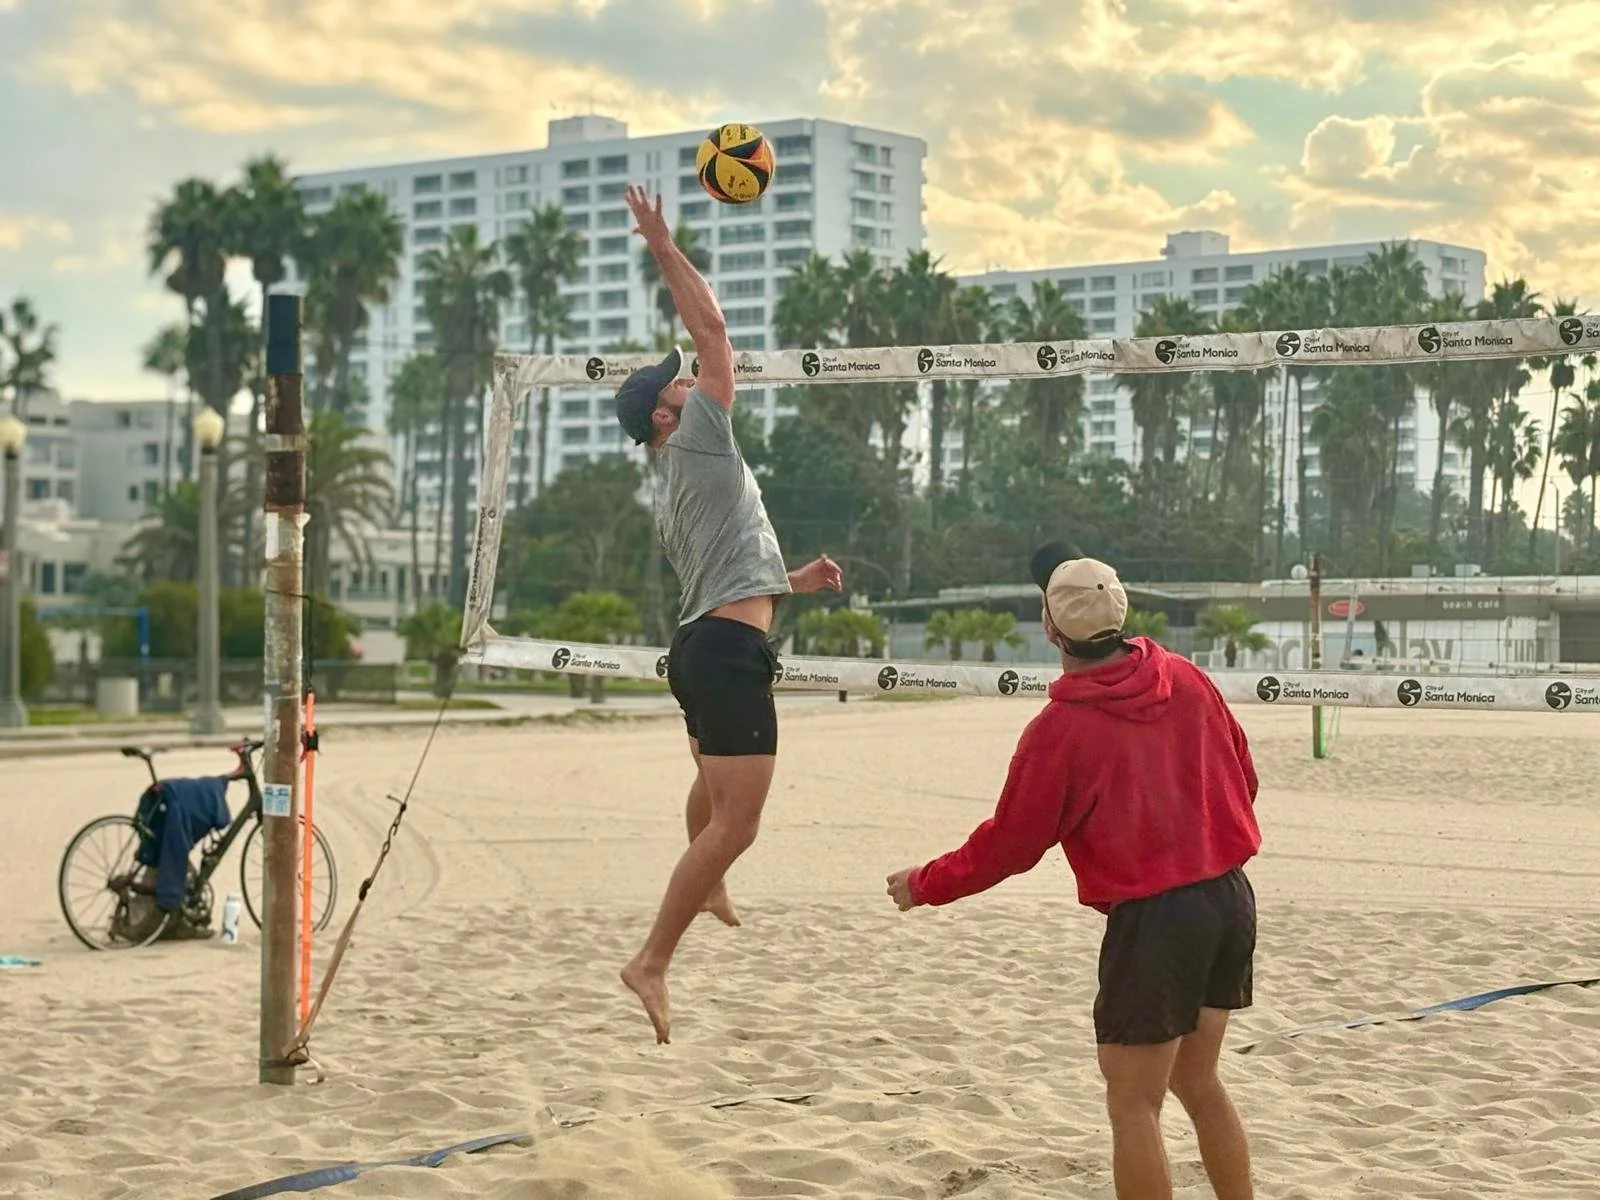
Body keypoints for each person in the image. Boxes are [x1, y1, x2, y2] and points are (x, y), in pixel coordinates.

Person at [886, 546, 1261, 1200]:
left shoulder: (1061, 729)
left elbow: (1009, 847)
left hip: (1157, 918)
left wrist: (925, 883)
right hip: (1229, 897)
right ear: (1124, 610)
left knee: (1133, 1101)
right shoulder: (1187, 677)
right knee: (1198, 1082)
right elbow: (1244, 778)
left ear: (1050, 628)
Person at [613, 185, 843, 1044]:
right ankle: (652, 960)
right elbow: (713, 330)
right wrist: (662, 244)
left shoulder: (680, 477)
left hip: (702, 646)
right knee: (737, 823)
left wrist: (793, 578)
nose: (693, 375)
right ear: (669, 415)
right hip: (720, 651)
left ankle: (704, 883)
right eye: (678, 384)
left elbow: (728, 571)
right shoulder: (701, 436)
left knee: (714, 795)